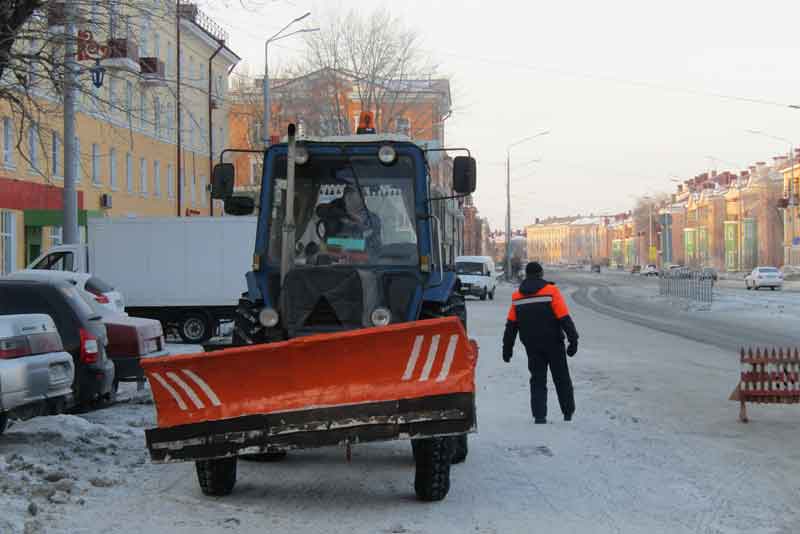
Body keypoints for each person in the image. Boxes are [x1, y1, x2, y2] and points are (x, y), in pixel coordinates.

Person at [502, 261, 579, 424]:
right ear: (541, 274)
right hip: (554, 343)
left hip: (532, 345)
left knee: (537, 379)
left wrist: (507, 349)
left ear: (526, 275)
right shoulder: (551, 291)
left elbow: (511, 326)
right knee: (561, 377)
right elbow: (564, 318)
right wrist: (573, 340)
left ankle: (539, 416)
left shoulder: (517, 296)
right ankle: (567, 413)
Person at [315, 186, 381, 252]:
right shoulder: (335, 210)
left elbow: (373, 247)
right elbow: (328, 245)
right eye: (347, 197)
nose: (363, 198)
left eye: (362, 195)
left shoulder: (372, 219)